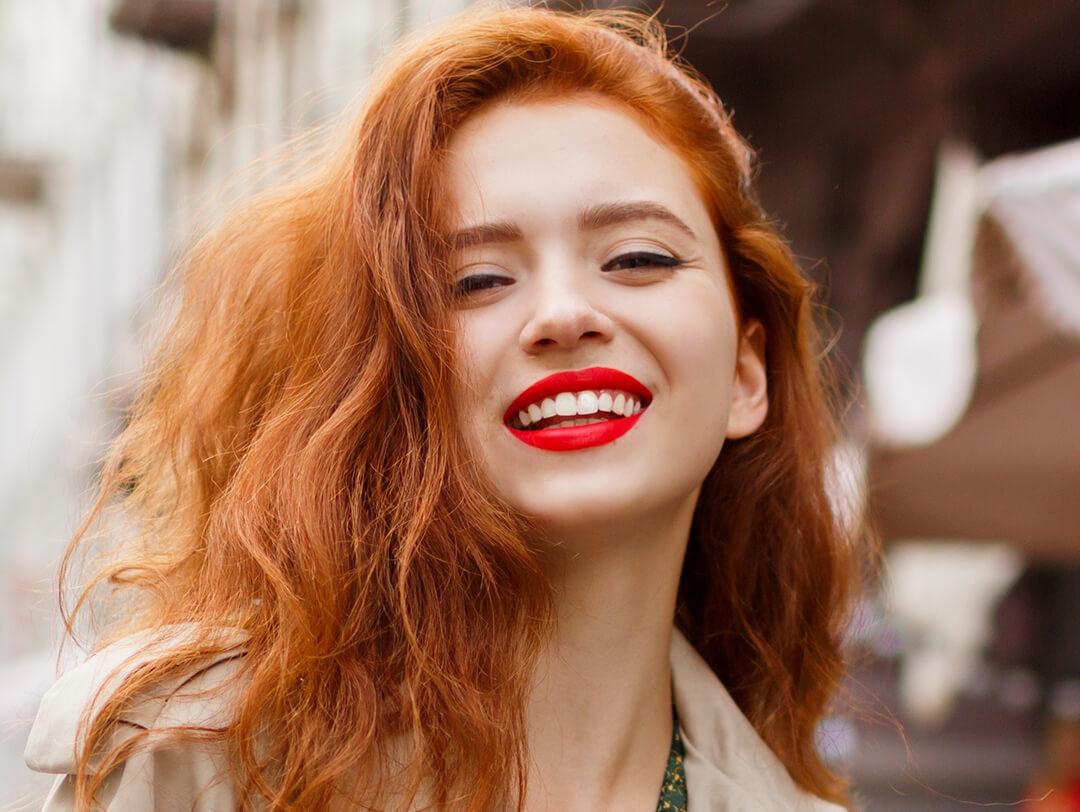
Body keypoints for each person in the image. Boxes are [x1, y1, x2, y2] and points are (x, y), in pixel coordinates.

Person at [25, 3, 870, 809]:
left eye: (639, 258)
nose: (564, 314)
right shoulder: (189, 761)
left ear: (744, 376)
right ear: (392, 379)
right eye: (477, 280)